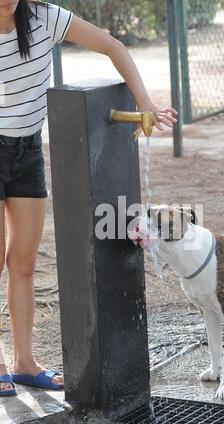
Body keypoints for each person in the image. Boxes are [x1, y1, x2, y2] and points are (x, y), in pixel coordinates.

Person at [0, 0, 177, 396]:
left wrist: (143, 102)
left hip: (27, 152)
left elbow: (113, 45)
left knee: (24, 261)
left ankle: (24, 362)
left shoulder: (45, 17)